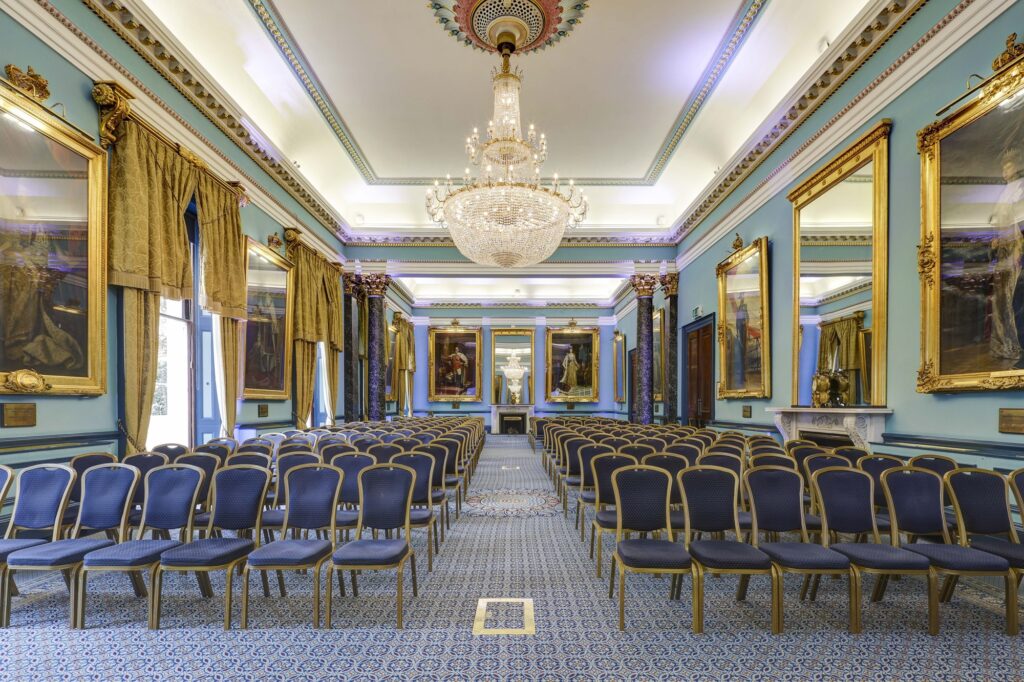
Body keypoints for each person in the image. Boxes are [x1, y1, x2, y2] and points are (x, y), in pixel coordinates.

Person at [989, 147, 1024, 361]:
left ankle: (1017, 345)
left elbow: (1018, 224)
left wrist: (1018, 247)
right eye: (1003, 168)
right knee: (1001, 298)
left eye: (1008, 166)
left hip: (1015, 249)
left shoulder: (1020, 188)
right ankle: (1007, 343)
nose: (1004, 171)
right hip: (1004, 250)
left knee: (1014, 298)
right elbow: (1001, 223)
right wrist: (997, 240)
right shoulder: (1004, 192)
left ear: (1017, 166)